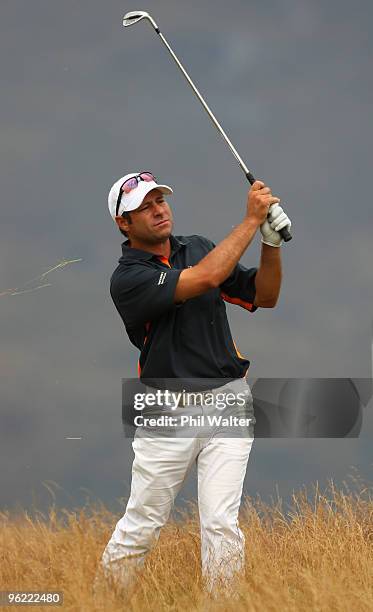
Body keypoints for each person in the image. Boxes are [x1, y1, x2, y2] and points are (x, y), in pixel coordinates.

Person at [97, 170, 291, 597]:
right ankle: (101, 602)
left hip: (229, 400)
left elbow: (265, 295)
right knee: (142, 525)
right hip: (167, 409)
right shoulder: (127, 279)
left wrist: (270, 243)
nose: (157, 210)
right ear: (123, 224)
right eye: (142, 208)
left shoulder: (199, 248)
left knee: (221, 523)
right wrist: (249, 220)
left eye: (159, 201)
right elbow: (203, 279)